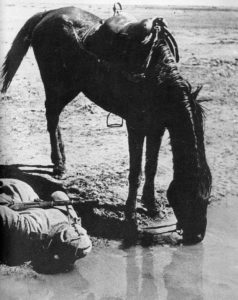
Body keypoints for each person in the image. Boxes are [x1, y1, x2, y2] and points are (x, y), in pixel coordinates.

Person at [0, 178, 92, 273]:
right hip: (7, 191)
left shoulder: (72, 218)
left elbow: (58, 194)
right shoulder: (31, 229)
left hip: (25, 189)